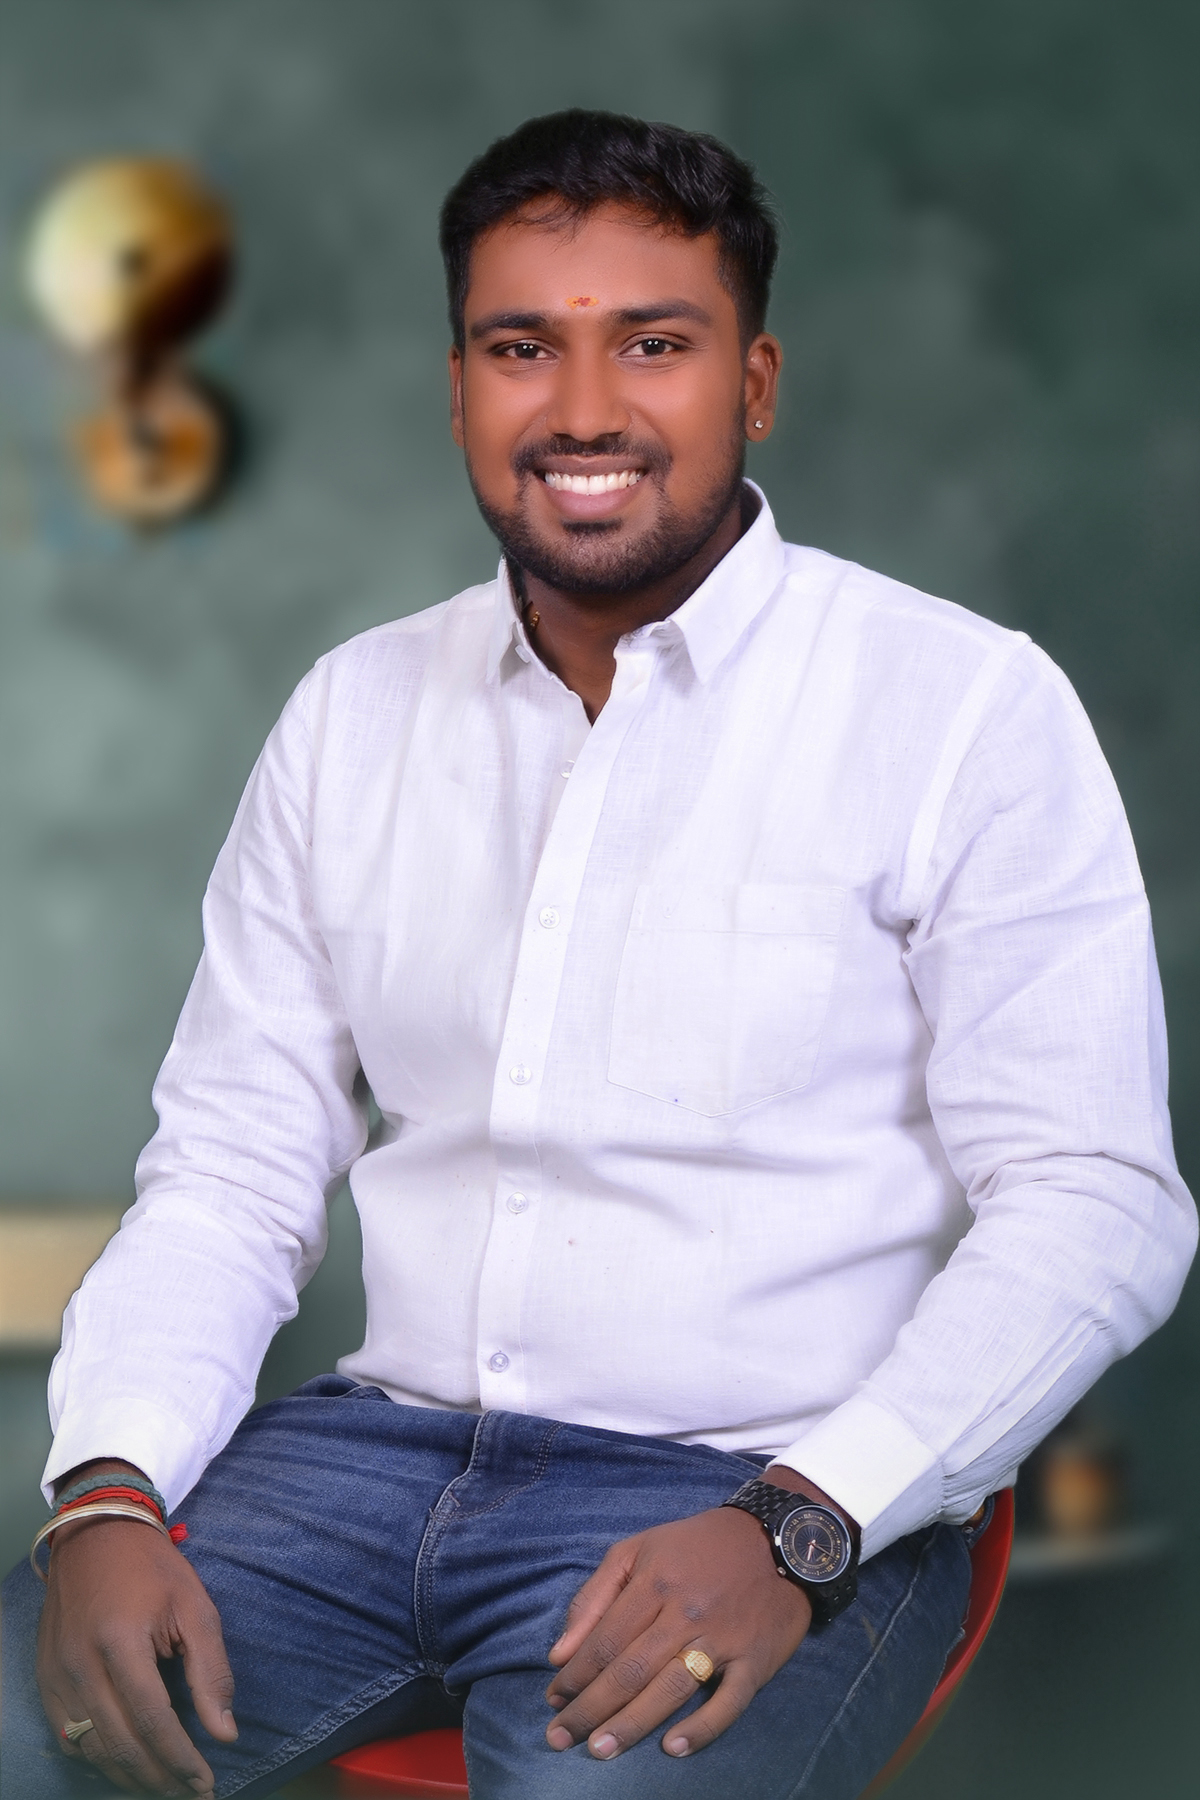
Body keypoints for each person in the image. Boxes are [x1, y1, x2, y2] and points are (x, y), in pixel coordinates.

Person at [2, 109, 1195, 1800]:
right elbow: (231, 1168)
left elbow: (1096, 1199)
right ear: (458, 390)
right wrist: (108, 1487)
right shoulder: (352, 714)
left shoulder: (962, 709)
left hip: (753, 1488)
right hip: (357, 1466)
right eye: (520, 348)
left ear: (755, 382)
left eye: (653, 344)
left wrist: (803, 1524)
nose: (580, 410)